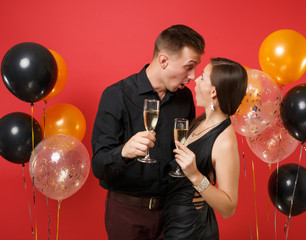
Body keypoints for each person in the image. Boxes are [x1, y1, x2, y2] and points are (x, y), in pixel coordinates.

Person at [91, 24, 205, 240]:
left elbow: (185, 153)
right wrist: (124, 151)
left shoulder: (185, 98)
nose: (193, 76)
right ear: (164, 61)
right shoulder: (117, 95)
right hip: (127, 213)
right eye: (189, 67)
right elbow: (98, 166)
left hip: (173, 212)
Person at [163, 58, 248, 239]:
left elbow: (228, 207)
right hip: (173, 224)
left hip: (192, 231)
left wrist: (195, 175)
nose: (195, 80)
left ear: (213, 91)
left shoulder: (225, 140)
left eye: (202, 77)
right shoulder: (200, 121)